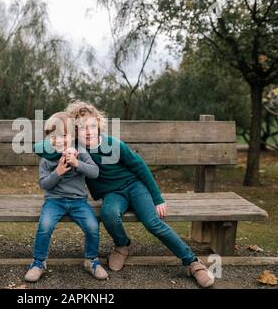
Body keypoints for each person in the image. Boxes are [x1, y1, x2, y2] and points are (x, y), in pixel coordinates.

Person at [33, 101, 215, 288]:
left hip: (135, 187)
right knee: (108, 214)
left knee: (153, 223)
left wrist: (157, 198)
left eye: (92, 126)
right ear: (74, 131)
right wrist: (66, 141)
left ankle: (192, 263)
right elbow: (39, 147)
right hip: (112, 194)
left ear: (99, 125)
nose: (88, 132)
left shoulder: (113, 144)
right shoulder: (75, 146)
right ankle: (122, 245)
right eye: (81, 128)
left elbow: (140, 168)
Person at [25, 112, 108, 282]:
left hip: (78, 201)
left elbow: (95, 172)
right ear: (49, 138)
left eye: (64, 136)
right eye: (54, 136)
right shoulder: (47, 158)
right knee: (45, 225)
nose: (60, 140)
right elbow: (44, 184)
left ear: (73, 136)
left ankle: (91, 260)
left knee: (92, 226)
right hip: (54, 201)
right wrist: (58, 172)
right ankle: (38, 262)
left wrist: (77, 163)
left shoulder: (80, 152)